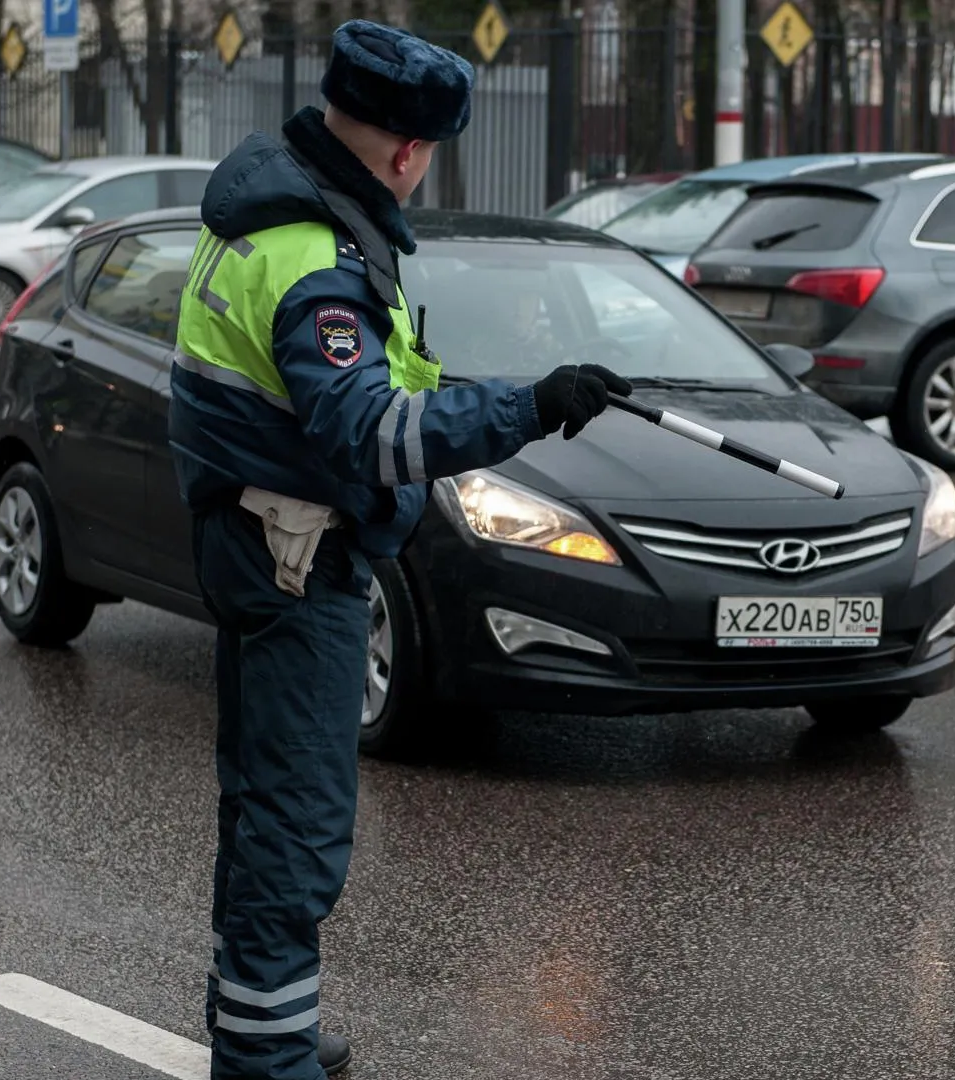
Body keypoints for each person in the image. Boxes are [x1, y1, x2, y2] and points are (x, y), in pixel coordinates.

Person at [167, 19, 630, 1080]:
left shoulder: (273, 208)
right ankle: (269, 1060)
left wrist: (486, 393)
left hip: (251, 540)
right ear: (412, 150)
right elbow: (370, 432)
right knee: (296, 829)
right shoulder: (315, 260)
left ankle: (259, 1028)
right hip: (298, 563)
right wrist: (531, 407)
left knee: (261, 808)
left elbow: (376, 382)